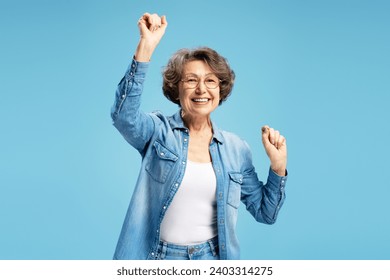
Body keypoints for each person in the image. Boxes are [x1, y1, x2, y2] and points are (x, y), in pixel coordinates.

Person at [111, 12, 288, 260]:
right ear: (176, 88)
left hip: (211, 258)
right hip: (157, 258)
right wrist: (146, 47)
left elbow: (265, 213)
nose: (201, 89)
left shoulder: (237, 149)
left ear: (220, 89)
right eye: (191, 80)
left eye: (211, 81)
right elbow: (124, 117)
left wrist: (278, 167)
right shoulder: (158, 132)